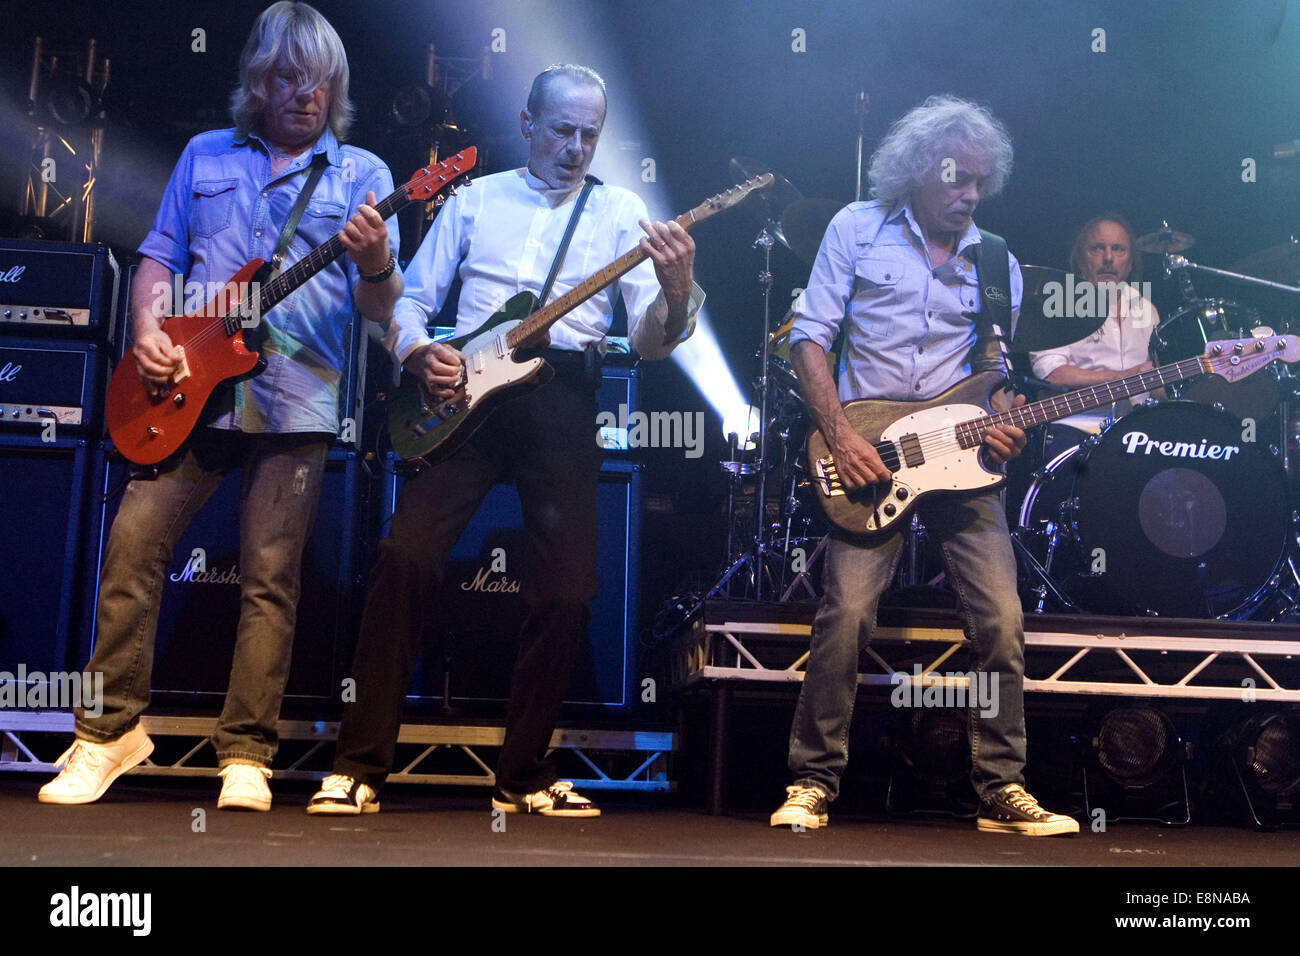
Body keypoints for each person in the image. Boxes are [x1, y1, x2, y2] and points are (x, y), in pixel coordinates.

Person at [307, 64, 701, 817]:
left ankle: (522, 773)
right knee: (404, 554)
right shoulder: (476, 199)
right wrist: (419, 352)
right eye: (563, 130)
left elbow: (652, 344)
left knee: (570, 590)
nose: (578, 147)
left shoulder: (621, 212)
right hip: (468, 395)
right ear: (527, 124)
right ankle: (358, 765)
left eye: (591, 134)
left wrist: (677, 293)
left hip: (562, 399)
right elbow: (412, 300)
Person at [38, 1, 401, 811]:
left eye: (319, 80)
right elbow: (159, 257)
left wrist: (375, 261)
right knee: (132, 544)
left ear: (335, 86)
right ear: (258, 81)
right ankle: (106, 736)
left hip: (298, 399)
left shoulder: (363, 176)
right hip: (188, 389)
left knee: (271, 578)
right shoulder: (205, 154)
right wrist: (146, 333)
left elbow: (382, 310)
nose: (304, 93)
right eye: (287, 77)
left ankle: (247, 753)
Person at [770, 95, 1078, 836]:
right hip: (868, 452)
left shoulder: (999, 260)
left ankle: (1001, 787)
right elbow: (808, 339)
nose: (970, 194)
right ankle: (812, 782)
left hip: (963, 462)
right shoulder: (856, 229)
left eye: (980, 181)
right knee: (845, 615)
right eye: (956, 179)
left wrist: (1009, 427)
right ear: (915, 173)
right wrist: (840, 432)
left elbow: (995, 375)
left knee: (1002, 621)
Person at [1029, 213, 1162, 436]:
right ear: (1080, 259)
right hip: (1077, 428)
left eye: (1118, 249)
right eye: (1098, 248)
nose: (1108, 258)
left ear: (1130, 263)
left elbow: (1156, 380)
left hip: (1139, 430)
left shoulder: (1146, 308)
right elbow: (1050, 372)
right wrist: (1121, 377)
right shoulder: (1060, 303)